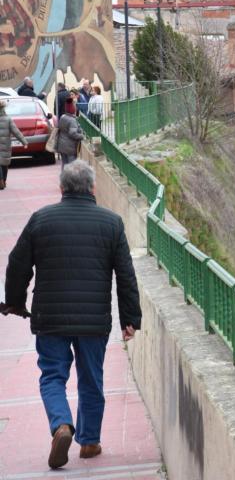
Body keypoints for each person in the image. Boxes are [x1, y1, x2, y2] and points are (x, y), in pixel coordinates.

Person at [0, 160, 141, 470]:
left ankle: (61, 424)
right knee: (91, 379)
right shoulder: (111, 223)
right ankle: (89, 442)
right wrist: (130, 318)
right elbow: (126, 275)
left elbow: (17, 264)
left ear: (62, 188)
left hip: (50, 318)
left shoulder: (41, 220)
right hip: (93, 320)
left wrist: (14, 302)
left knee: (52, 375)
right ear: (92, 187)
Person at [0, 99, 27, 190]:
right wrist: (24, 142)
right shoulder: (8, 119)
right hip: (6, 145)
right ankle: (3, 180)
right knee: (4, 164)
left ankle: (1, 181)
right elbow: (16, 131)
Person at [56, 99, 84, 166]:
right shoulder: (72, 120)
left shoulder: (63, 117)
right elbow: (72, 133)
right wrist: (82, 136)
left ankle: (64, 176)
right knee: (72, 166)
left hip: (62, 145)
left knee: (64, 164)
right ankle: (70, 177)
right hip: (70, 147)